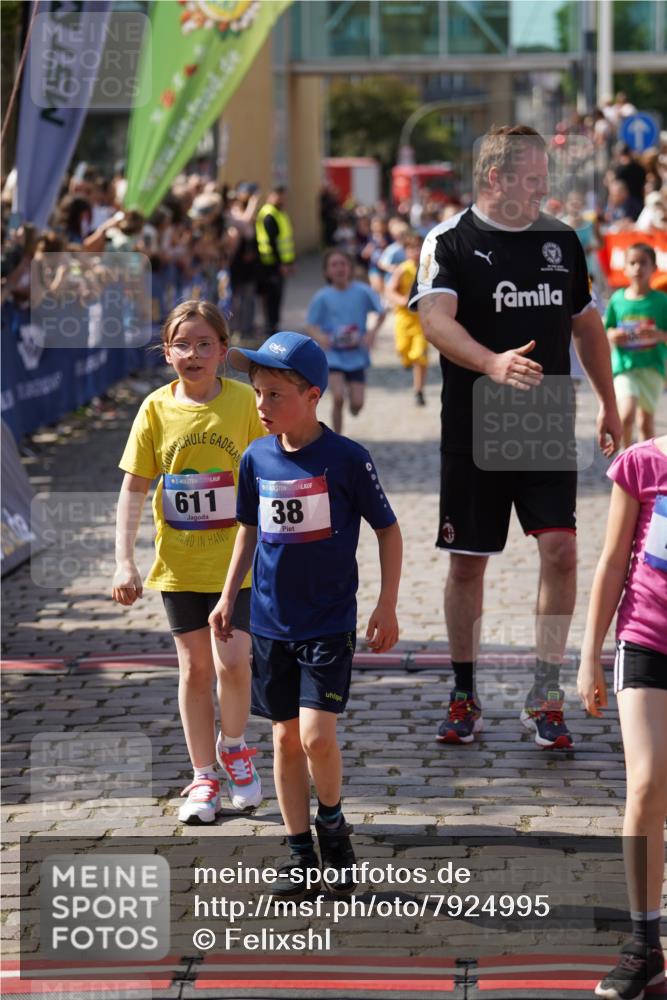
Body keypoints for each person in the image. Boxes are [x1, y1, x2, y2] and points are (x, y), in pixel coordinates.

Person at [410, 124, 621, 750]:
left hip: (547, 416)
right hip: (476, 418)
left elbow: (587, 327)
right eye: (531, 178)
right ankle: (464, 691)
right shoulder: (449, 239)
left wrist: (609, 404)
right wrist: (492, 362)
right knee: (469, 563)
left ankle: (544, 694)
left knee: (560, 551)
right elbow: (434, 322)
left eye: (545, 178)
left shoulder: (561, 240)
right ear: (493, 179)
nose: (543, 189)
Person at [209, 331, 402, 895]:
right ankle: (299, 851)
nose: (262, 406)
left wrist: (386, 604)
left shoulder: (346, 458)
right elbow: (247, 530)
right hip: (269, 623)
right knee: (284, 741)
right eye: (258, 394)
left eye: (275, 395)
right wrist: (227, 596)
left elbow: (387, 529)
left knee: (317, 736)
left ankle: (333, 821)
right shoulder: (256, 457)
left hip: (328, 621)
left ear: (313, 395)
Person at [111, 300, 264, 823]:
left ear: (224, 350)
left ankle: (236, 748)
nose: (193, 354)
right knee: (196, 669)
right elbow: (134, 487)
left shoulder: (246, 403)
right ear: (167, 351)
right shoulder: (154, 408)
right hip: (179, 566)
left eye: (204, 344)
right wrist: (123, 562)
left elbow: (272, 471)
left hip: (238, 564)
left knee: (234, 661)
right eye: (182, 344)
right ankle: (203, 775)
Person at [578, 436, 666, 1000]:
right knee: (648, 783)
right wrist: (588, 657)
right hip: (646, 641)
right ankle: (643, 944)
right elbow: (612, 562)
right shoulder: (643, 463)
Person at [306, 249, 385, 435]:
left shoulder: (363, 291)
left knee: (357, 404)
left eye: (343, 264)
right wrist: (320, 337)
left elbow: (381, 312)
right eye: (334, 265)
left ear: (350, 268)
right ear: (327, 271)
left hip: (357, 354)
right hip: (333, 356)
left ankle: (354, 405)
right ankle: (337, 437)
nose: (339, 268)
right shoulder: (322, 297)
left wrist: (371, 333)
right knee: (338, 397)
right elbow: (311, 325)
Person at [605, 243, 667, 449]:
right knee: (627, 414)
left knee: (646, 422)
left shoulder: (661, 301)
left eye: (643, 263)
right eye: (632, 263)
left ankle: (645, 469)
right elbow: (607, 329)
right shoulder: (617, 299)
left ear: (654, 268)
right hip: (625, 366)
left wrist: (658, 335)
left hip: (652, 368)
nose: (637, 268)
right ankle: (625, 460)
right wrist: (614, 335)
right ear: (625, 268)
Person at [385, 231, 429, 405]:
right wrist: (402, 300)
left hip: (422, 322)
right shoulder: (403, 269)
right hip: (404, 319)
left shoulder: (428, 269)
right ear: (405, 251)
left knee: (420, 356)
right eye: (411, 248)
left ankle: (418, 391)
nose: (416, 251)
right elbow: (390, 290)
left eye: (419, 247)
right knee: (403, 348)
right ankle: (406, 360)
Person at [255, 186, 295, 338]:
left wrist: (290, 262)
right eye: (278, 196)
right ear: (270, 196)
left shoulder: (280, 213)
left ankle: (274, 324)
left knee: (277, 296)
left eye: (283, 196)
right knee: (271, 296)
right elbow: (272, 242)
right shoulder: (268, 214)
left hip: (280, 263)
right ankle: (270, 327)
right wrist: (281, 264)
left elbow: (286, 241)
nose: (281, 199)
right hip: (270, 263)